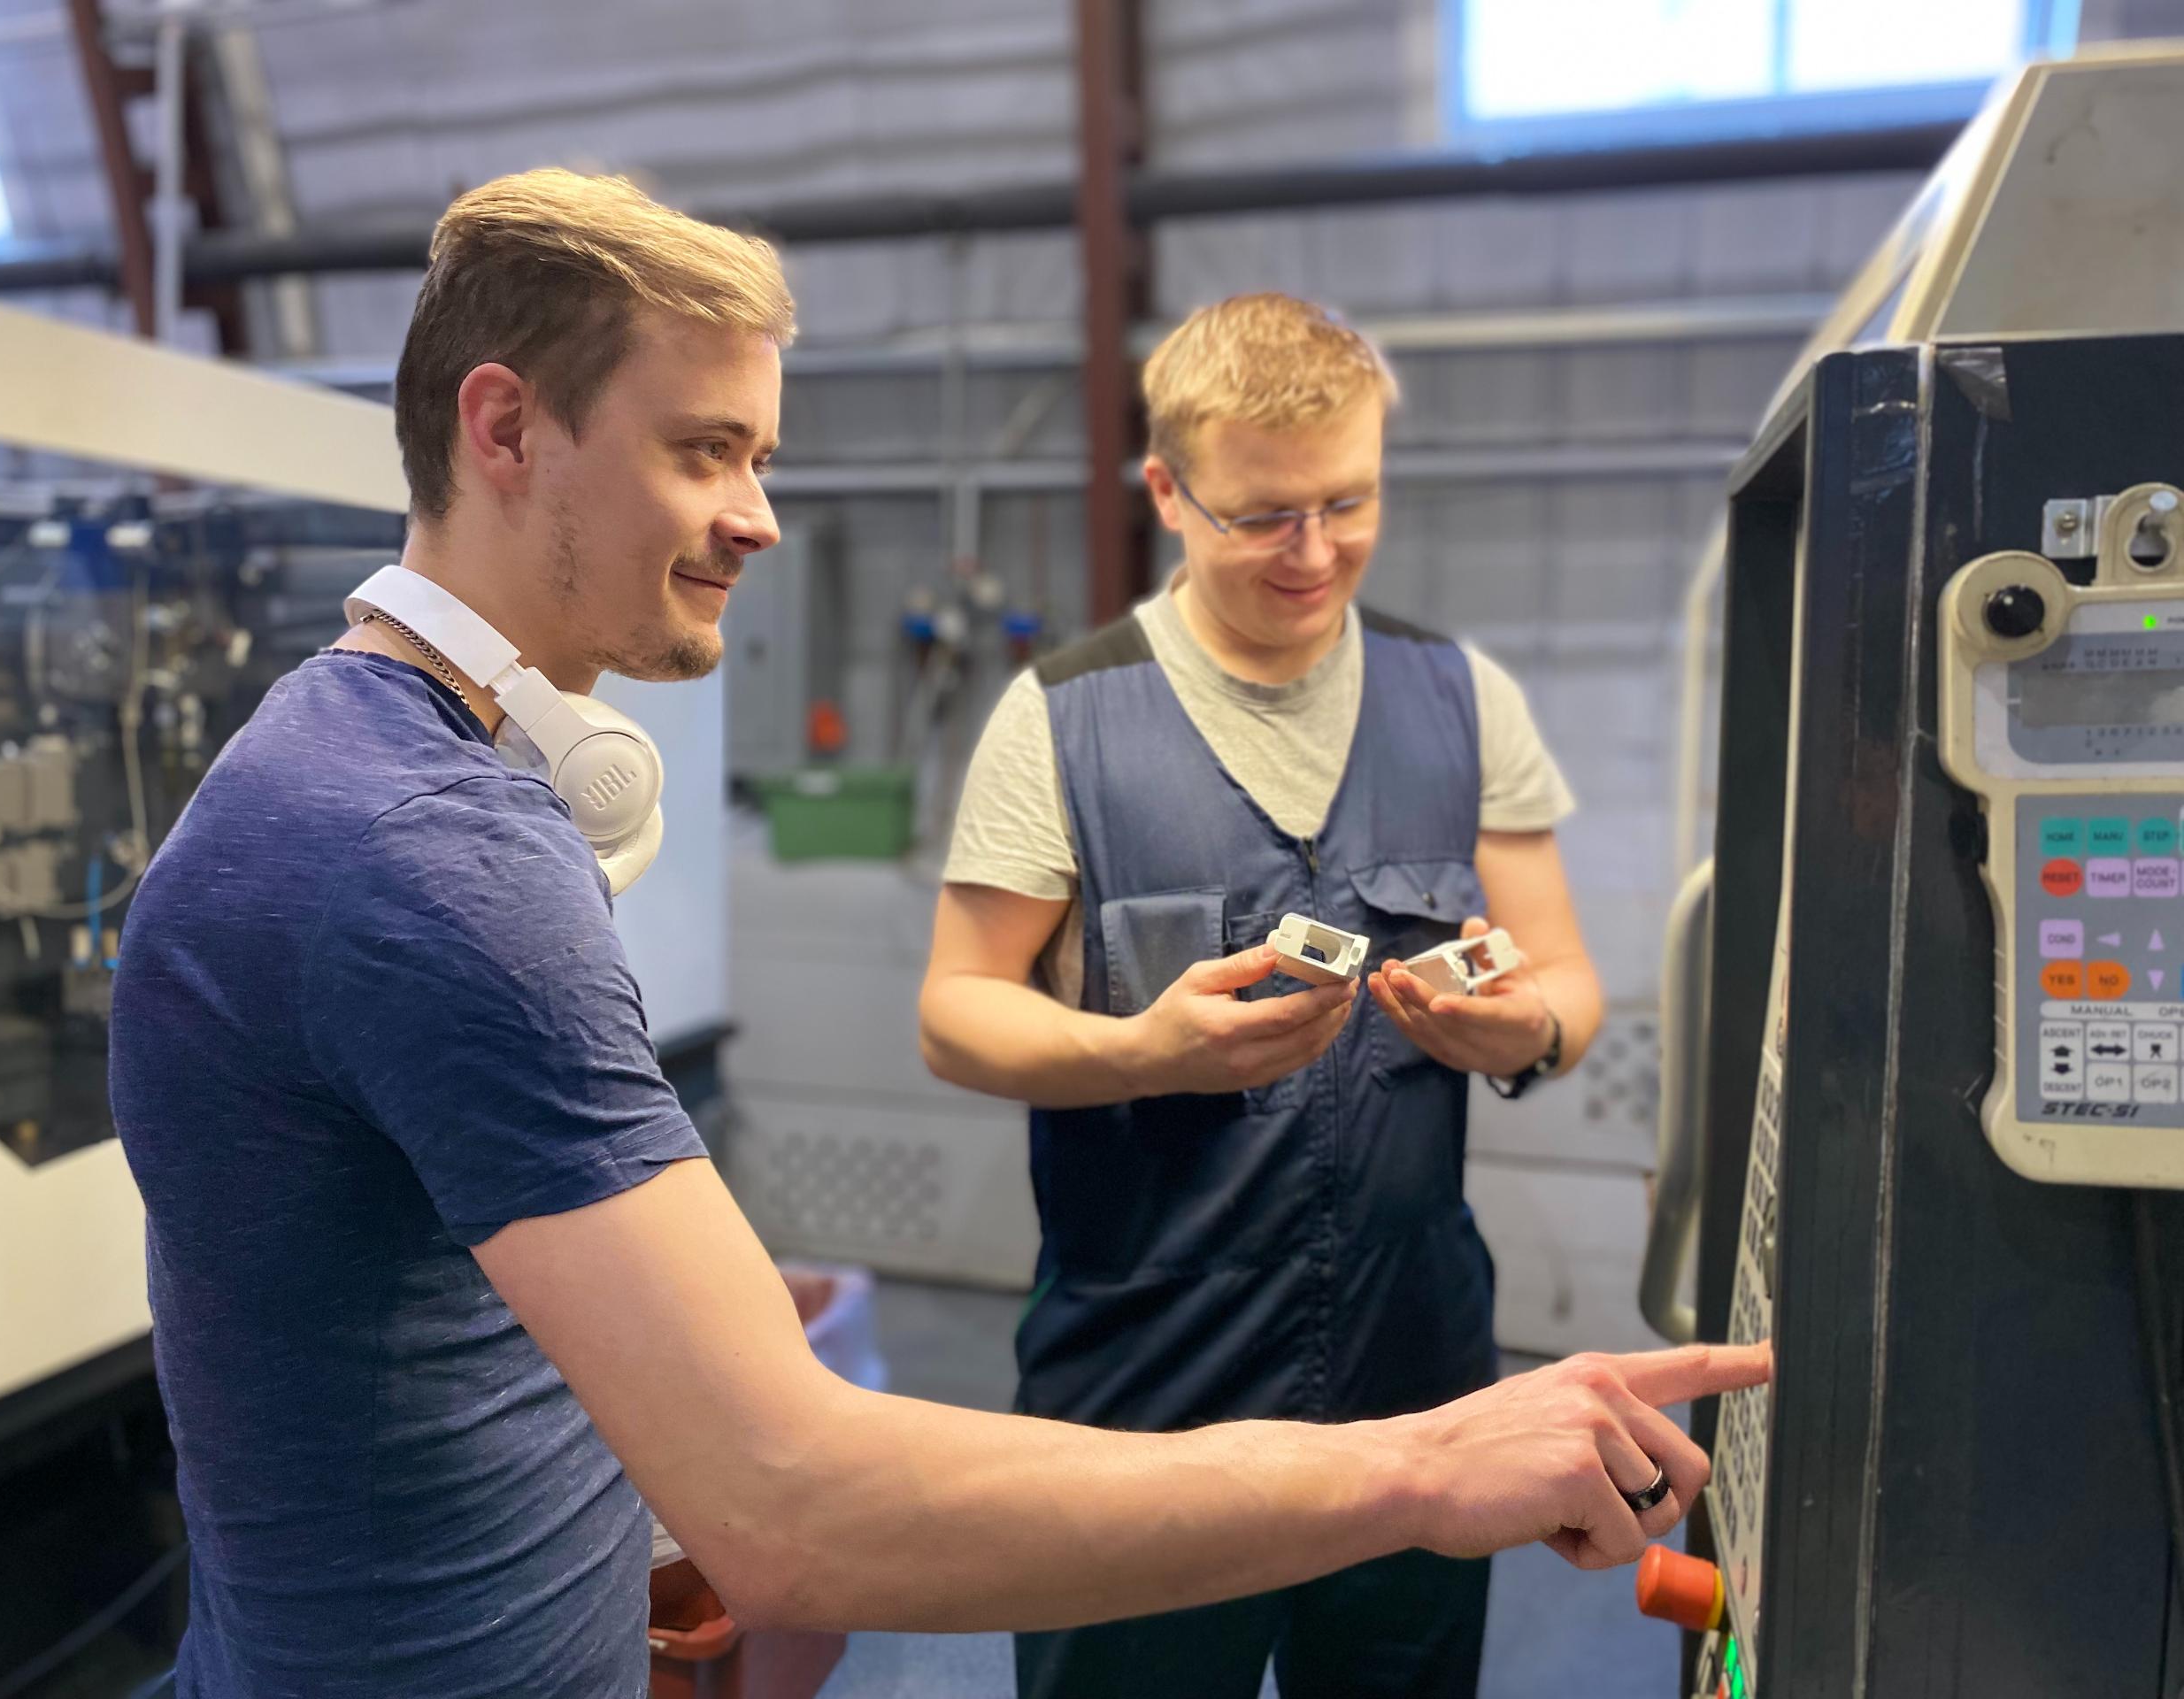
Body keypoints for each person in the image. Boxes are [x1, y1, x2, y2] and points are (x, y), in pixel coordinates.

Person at [110, 172, 1763, 1699]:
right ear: (504, 429)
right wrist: (1425, 1464)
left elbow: (454, 1321)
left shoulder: (378, 782)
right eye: (705, 450)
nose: (759, 516)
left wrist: (625, 1518)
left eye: (760, 457)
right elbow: (797, 1503)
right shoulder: (433, 859)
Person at [919, 291, 1608, 1698]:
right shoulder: (1061, 719)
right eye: (1264, 516)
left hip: (1414, 1369)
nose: (1315, 551)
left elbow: (1568, 982)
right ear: (1169, 492)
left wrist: (1524, 1028)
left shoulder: (1461, 698)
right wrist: (1142, 1052)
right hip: (1150, 1373)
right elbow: (957, 1010)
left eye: (1349, 503)